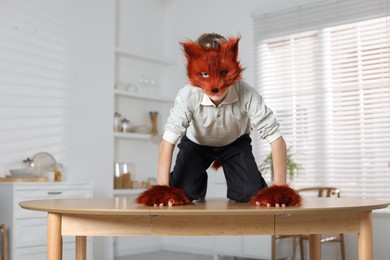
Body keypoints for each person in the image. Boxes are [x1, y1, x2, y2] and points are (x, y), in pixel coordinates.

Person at [137, 33, 300, 207]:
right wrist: (162, 189)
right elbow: (167, 141)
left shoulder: (247, 94)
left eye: (222, 72)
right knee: (184, 193)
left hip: (235, 144)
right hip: (196, 144)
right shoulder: (188, 95)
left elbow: (276, 139)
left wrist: (280, 190)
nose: (215, 84)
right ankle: (196, 178)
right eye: (206, 74)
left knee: (249, 193)